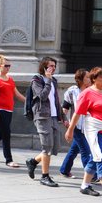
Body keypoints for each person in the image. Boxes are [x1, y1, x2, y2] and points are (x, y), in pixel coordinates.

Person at [65, 67, 102, 201]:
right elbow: (77, 112)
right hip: (95, 130)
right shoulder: (87, 93)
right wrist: (70, 130)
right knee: (101, 157)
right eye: (101, 77)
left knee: (95, 157)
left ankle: (85, 185)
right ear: (93, 79)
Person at [25, 57, 70, 187]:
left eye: (54, 66)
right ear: (44, 67)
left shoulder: (54, 81)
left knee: (55, 147)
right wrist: (48, 79)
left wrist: (64, 118)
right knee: (47, 147)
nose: (53, 68)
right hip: (42, 117)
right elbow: (43, 96)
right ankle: (45, 176)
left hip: (54, 117)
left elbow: (56, 102)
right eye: (51, 66)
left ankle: (33, 162)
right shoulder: (37, 81)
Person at [59, 69, 98, 182]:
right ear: (79, 79)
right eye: (87, 77)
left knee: (74, 149)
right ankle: (92, 176)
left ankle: (64, 169)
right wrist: (64, 120)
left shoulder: (93, 91)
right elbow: (65, 107)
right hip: (76, 126)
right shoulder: (72, 91)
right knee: (86, 150)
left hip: (89, 126)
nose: (89, 79)